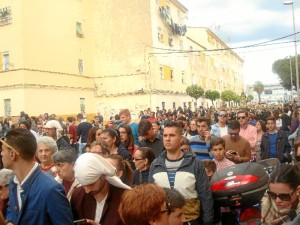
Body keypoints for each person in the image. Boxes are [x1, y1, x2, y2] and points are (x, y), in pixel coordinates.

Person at [0, 128, 73, 225]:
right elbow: (12, 210)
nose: (1, 153)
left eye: (3, 150)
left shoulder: (51, 189)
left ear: (12, 154)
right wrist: (10, 221)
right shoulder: (14, 182)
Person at [149, 121, 213, 225]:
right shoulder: (155, 165)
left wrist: (207, 222)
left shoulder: (194, 163)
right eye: (165, 135)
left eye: (172, 135)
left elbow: (205, 195)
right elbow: (152, 198)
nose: (167, 139)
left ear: (181, 139)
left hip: (190, 220)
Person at [71, 153, 131, 225]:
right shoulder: (78, 194)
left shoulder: (126, 199)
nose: (87, 190)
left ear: (102, 176)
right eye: (84, 185)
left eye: (91, 184)